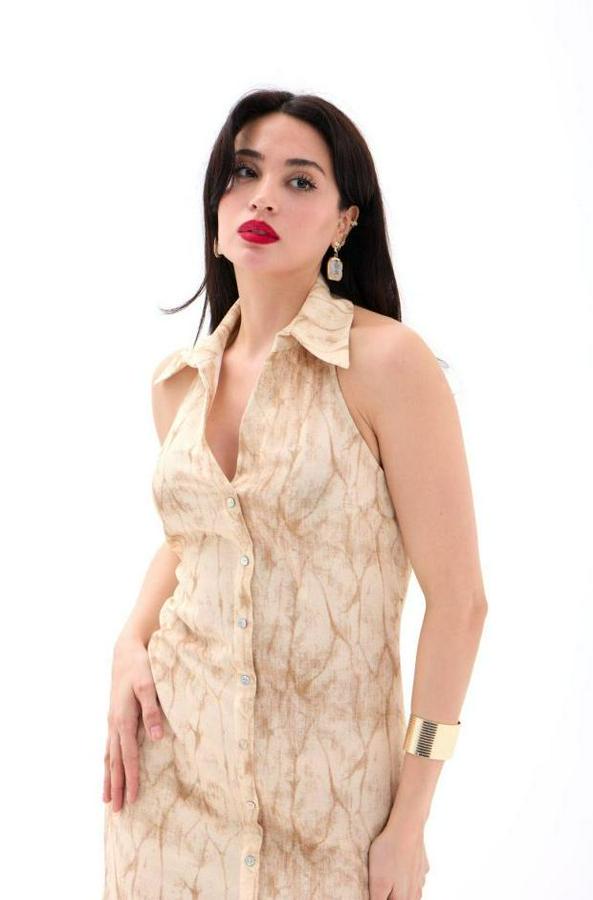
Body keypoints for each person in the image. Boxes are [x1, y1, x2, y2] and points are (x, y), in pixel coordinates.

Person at [102, 89, 488, 900]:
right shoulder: (177, 386)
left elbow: (459, 604)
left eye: (299, 180)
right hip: (167, 798)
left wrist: (409, 822)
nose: (263, 197)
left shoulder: (386, 364)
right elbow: (194, 539)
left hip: (331, 810)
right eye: (242, 173)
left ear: (345, 222)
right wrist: (129, 640)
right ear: (216, 209)